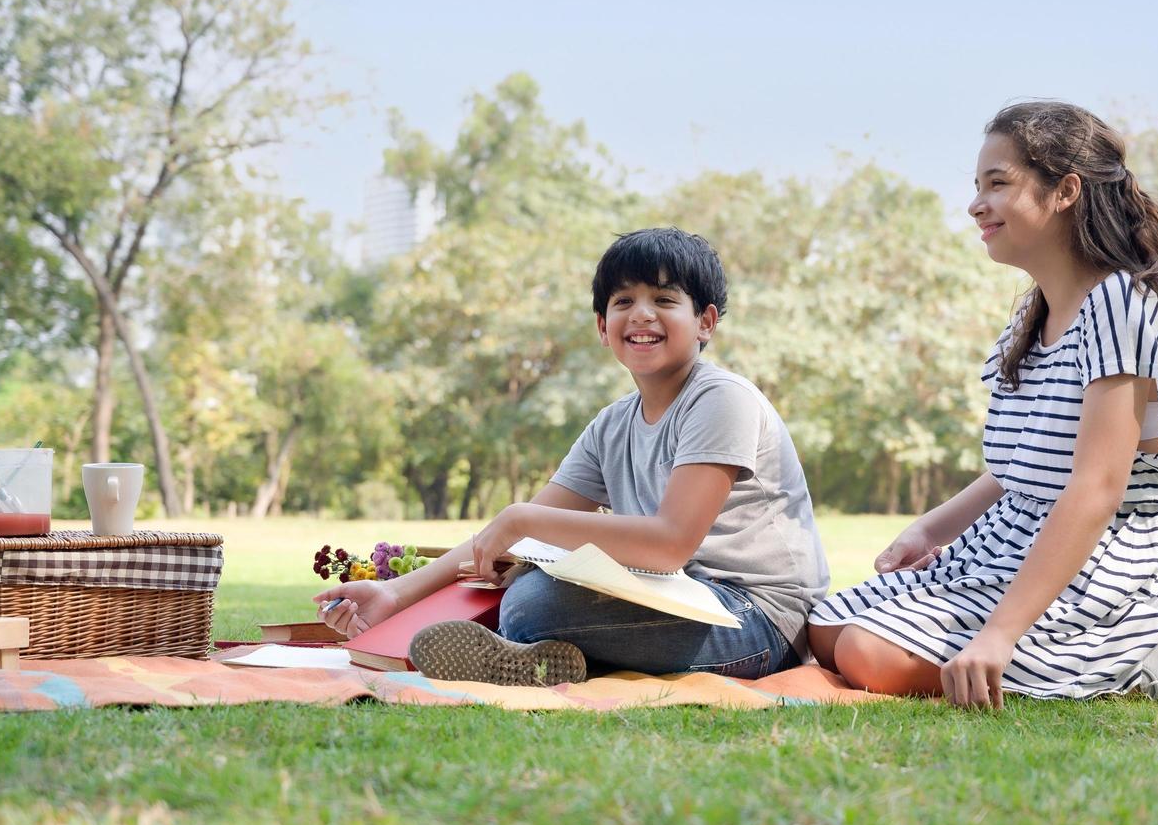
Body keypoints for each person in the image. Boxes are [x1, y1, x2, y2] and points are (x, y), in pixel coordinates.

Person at [808, 101, 1158, 709]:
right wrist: (929, 529)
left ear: (1065, 190)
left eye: (999, 184)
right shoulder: (1034, 314)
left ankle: (1139, 654)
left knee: (870, 655)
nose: (976, 204)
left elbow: (1095, 489)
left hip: (1103, 560)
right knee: (826, 629)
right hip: (1008, 537)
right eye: (976, 186)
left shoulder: (1119, 306)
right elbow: (1021, 466)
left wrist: (999, 634)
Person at [315, 227, 830, 686]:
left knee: (534, 602)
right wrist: (396, 594)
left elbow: (670, 544)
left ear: (706, 322)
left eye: (665, 299)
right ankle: (543, 659)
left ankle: (531, 650)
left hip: (753, 619)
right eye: (623, 300)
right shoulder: (612, 425)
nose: (642, 314)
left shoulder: (721, 398)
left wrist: (520, 520)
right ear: (603, 327)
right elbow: (515, 538)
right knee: (516, 584)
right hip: (669, 600)